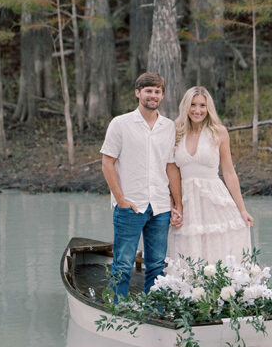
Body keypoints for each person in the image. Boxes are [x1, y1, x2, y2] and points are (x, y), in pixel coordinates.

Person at [101, 73, 183, 297]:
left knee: (156, 266)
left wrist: (177, 204)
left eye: (157, 91)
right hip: (131, 205)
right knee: (123, 264)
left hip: (160, 206)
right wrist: (121, 200)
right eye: (148, 90)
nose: (153, 95)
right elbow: (107, 163)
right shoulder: (120, 123)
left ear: (163, 95)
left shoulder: (168, 127)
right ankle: (117, 311)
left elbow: (171, 167)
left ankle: (153, 312)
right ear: (138, 93)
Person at [167, 86, 253, 266]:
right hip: (188, 202)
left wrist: (242, 209)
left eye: (202, 105)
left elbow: (229, 172)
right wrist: (174, 205)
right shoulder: (175, 132)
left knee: (218, 251)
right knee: (190, 252)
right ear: (186, 106)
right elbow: (171, 173)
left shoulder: (218, 131)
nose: (197, 110)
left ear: (208, 108)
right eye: (193, 105)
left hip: (215, 200)